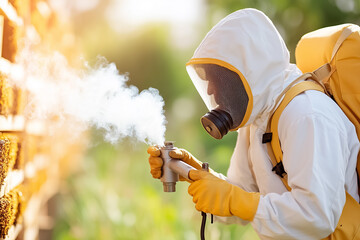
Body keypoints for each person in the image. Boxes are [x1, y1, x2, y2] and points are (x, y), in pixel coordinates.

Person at [147, 8, 360, 239]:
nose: (209, 90)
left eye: (216, 80)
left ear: (247, 71)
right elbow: (243, 197)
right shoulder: (258, 117)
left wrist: (234, 199)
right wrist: (194, 173)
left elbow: (317, 216)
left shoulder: (307, 114)